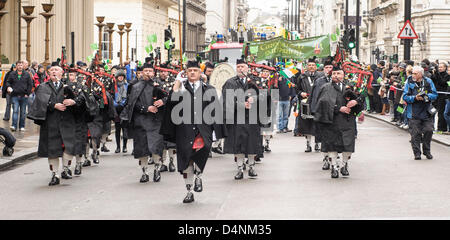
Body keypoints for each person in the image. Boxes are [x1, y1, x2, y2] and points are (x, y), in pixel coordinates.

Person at [161, 60, 225, 203]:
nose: (192, 73)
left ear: (200, 73)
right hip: (184, 130)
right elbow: (171, 102)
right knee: (186, 160)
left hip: (203, 130)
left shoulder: (209, 89)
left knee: (201, 154)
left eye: (195, 70)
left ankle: (199, 175)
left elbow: (215, 111)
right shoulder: (181, 89)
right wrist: (177, 82)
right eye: (189, 71)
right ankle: (189, 190)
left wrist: (216, 132)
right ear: (185, 73)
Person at [27, 64, 79, 186]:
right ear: (48, 74)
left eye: (57, 70)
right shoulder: (43, 87)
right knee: (53, 149)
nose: (54, 72)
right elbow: (40, 101)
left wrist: (73, 101)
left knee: (69, 147)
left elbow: (80, 99)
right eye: (52, 70)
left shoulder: (69, 87)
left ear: (61, 74)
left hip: (67, 121)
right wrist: (53, 105)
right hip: (51, 122)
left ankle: (65, 168)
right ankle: (55, 174)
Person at [120, 63, 167, 183]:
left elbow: (171, 97)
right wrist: (146, 109)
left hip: (156, 122)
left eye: (150, 71)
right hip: (140, 122)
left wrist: (162, 101)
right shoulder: (135, 87)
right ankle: (144, 172)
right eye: (145, 71)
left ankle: (157, 169)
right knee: (141, 149)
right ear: (141, 73)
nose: (147, 73)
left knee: (156, 148)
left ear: (153, 73)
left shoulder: (161, 86)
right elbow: (132, 104)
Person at [314, 66, 364, 178]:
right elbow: (322, 104)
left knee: (348, 147)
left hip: (348, 121)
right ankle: (334, 167)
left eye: (338, 73)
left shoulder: (351, 88)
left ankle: (344, 165)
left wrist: (356, 102)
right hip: (331, 121)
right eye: (334, 74)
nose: (336, 76)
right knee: (332, 146)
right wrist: (338, 108)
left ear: (343, 75)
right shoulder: (326, 87)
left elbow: (361, 100)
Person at [222, 58, 262, 180]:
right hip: (236, 118)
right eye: (238, 67)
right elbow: (226, 101)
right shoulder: (230, 83)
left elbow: (266, 97)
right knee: (237, 144)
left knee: (251, 144)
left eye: (243, 67)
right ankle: (239, 168)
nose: (240, 69)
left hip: (252, 118)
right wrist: (240, 104)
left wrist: (255, 100)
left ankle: (251, 167)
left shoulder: (255, 82)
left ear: (247, 68)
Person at [403, 66, 438, 160]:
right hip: (414, 112)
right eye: (412, 73)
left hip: (426, 112)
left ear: (420, 74)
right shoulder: (409, 82)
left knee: (429, 130)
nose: (413, 75)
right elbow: (405, 97)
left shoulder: (428, 81)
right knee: (415, 134)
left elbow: (435, 94)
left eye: (415, 73)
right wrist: (415, 97)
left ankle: (426, 151)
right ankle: (417, 153)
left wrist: (426, 96)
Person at [295, 58, 325, 152]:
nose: (311, 67)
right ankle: (308, 144)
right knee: (307, 124)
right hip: (306, 103)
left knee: (317, 124)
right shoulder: (302, 77)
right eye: (309, 65)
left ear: (316, 67)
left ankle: (317, 143)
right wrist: (301, 94)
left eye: (313, 65)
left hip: (317, 103)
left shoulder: (321, 77)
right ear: (307, 67)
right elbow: (297, 89)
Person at [309, 59, 334, 170]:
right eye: (327, 68)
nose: (329, 69)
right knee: (324, 138)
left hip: (335, 114)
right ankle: (325, 158)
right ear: (324, 69)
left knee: (333, 138)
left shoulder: (339, 82)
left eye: (330, 68)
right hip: (322, 113)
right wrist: (313, 110)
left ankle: (333, 159)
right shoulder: (319, 81)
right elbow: (315, 96)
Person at [6, 61, 33, 132]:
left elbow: (30, 84)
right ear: (16, 66)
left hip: (24, 96)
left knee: (23, 112)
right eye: (18, 65)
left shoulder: (27, 74)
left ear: (23, 66)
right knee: (15, 111)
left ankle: (22, 126)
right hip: (14, 96)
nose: (20, 66)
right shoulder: (12, 74)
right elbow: (8, 82)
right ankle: (14, 126)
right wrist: (8, 87)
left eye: (21, 65)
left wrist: (28, 93)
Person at [113, 69, 129, 154]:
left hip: (124, 109)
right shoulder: (113, 86)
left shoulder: (127, 85)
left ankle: (124, 146)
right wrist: (115, 104)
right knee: (117, 129)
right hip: (116, 110)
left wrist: (123, 103)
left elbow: (128, 96)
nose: (120, 78)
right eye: (119, 76)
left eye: (122, 76)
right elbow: (110, 96)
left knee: (125, 128)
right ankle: (118, 147)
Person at [431, 62, 449, 132]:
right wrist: (434, 73)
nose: (440, 69)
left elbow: (442, 82)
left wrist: (437, 74)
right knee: (432, 111)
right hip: (436, 95)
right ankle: (431, 126)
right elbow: (433, 80)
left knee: (441, 113)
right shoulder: (437, 74)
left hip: (442, 96)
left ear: (445, 68)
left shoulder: (447, 76)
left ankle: (441, 128)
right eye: (439, 67)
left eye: (441, 67)